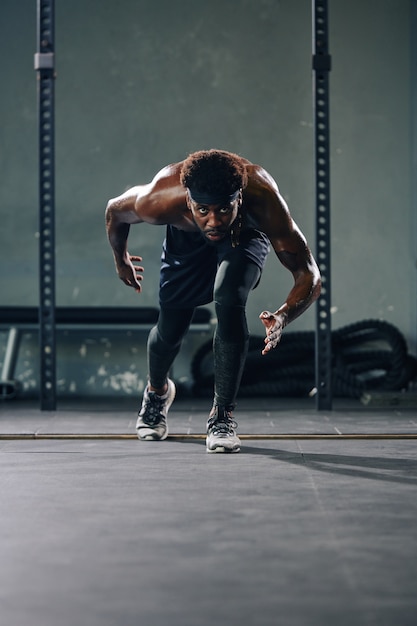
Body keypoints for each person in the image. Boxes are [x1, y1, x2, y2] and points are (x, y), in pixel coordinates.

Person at [105, 149, 321, 453]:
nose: (214, 221)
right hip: (185, 240)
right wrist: (121, 259)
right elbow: (115, 211)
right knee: (170, 328)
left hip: (244, 236)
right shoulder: (159, 199)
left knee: (229, 297)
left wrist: (284, 315)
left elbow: (308, 274)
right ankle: (157, 392)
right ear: (188, 200)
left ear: (239, 199)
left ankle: (222, 415)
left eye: (223, 208)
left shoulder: (264, 200)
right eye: (203, 210)